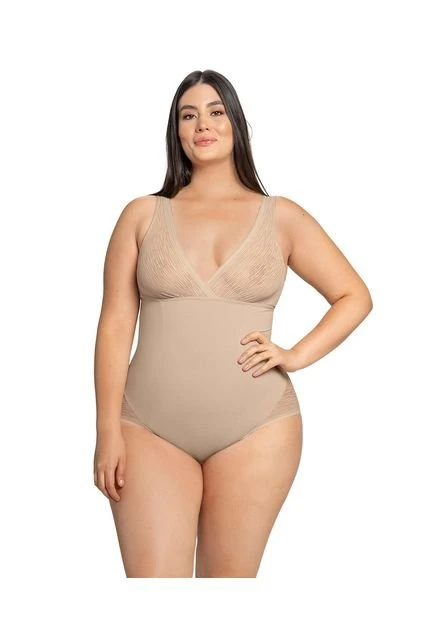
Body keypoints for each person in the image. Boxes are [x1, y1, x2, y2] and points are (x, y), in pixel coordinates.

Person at [93, 69, 373, 578]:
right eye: (188, 115)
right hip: (147, 429)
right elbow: (114, 328)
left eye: (216, 111)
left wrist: (295, 355)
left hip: (257, 429)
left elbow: (353, 296)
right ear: (176, 131)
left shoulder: (281, 216)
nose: (203, 124)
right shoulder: (142, 215)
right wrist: (106, 430)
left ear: (236, 124)